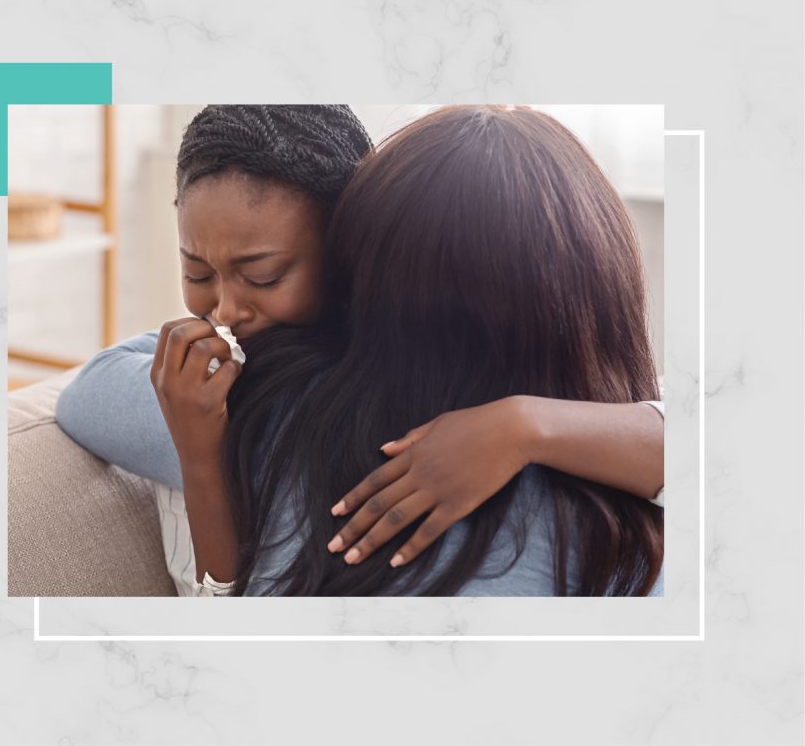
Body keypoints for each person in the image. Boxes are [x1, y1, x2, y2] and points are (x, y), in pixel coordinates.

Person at [56, 104, 664, 596]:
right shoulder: (634, 511)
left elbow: (90, 391)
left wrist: (523, 426)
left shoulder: (286, 412)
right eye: (197, 273)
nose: (227, 313)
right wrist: (531, 424)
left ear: (353, 267)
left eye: (264, 276)